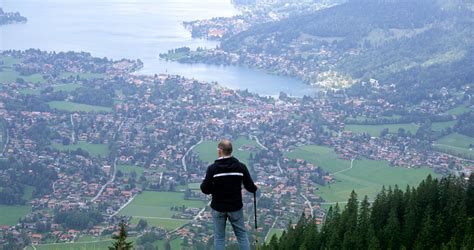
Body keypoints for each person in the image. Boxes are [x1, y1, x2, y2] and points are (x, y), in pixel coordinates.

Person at [200, 139, 258, 250]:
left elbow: (205, 189)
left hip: (218, 207)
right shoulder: (241, 167)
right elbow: (250, 187)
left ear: (220, 151)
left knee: (219, 237)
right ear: (231, 151)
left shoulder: (213, 169)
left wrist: (213, 186)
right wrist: (255, 188)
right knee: (241, 235)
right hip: (235, 207)